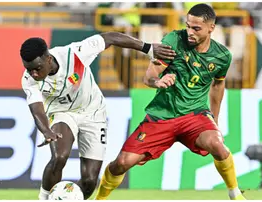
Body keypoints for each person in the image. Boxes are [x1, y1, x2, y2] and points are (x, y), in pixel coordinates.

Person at [95, 3, 246, 200]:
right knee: (122, 162)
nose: (190, 32)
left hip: (195, 115)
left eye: (196, 28)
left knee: (217, 144)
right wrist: (158, 82)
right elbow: (148, 76)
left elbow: (217, 87)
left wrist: (214, 121)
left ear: (211, 28)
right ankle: (99, 199)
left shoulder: (222, 56)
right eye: (188, 26)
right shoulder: (174, 40)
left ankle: (235, 194)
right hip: (162, 116)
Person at [20, 32, 176, 200]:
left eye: (37, 68)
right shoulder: (29, 79)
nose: (33, 74)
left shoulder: (75, 54)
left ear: (48, 59)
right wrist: (46, 131)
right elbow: (36, 108)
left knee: (89, 182)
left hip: (93, 112)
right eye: (29, 69)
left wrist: (148, 48)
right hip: (61, 113)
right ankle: (43, 199)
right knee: (59, 156)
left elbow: (110, 38)